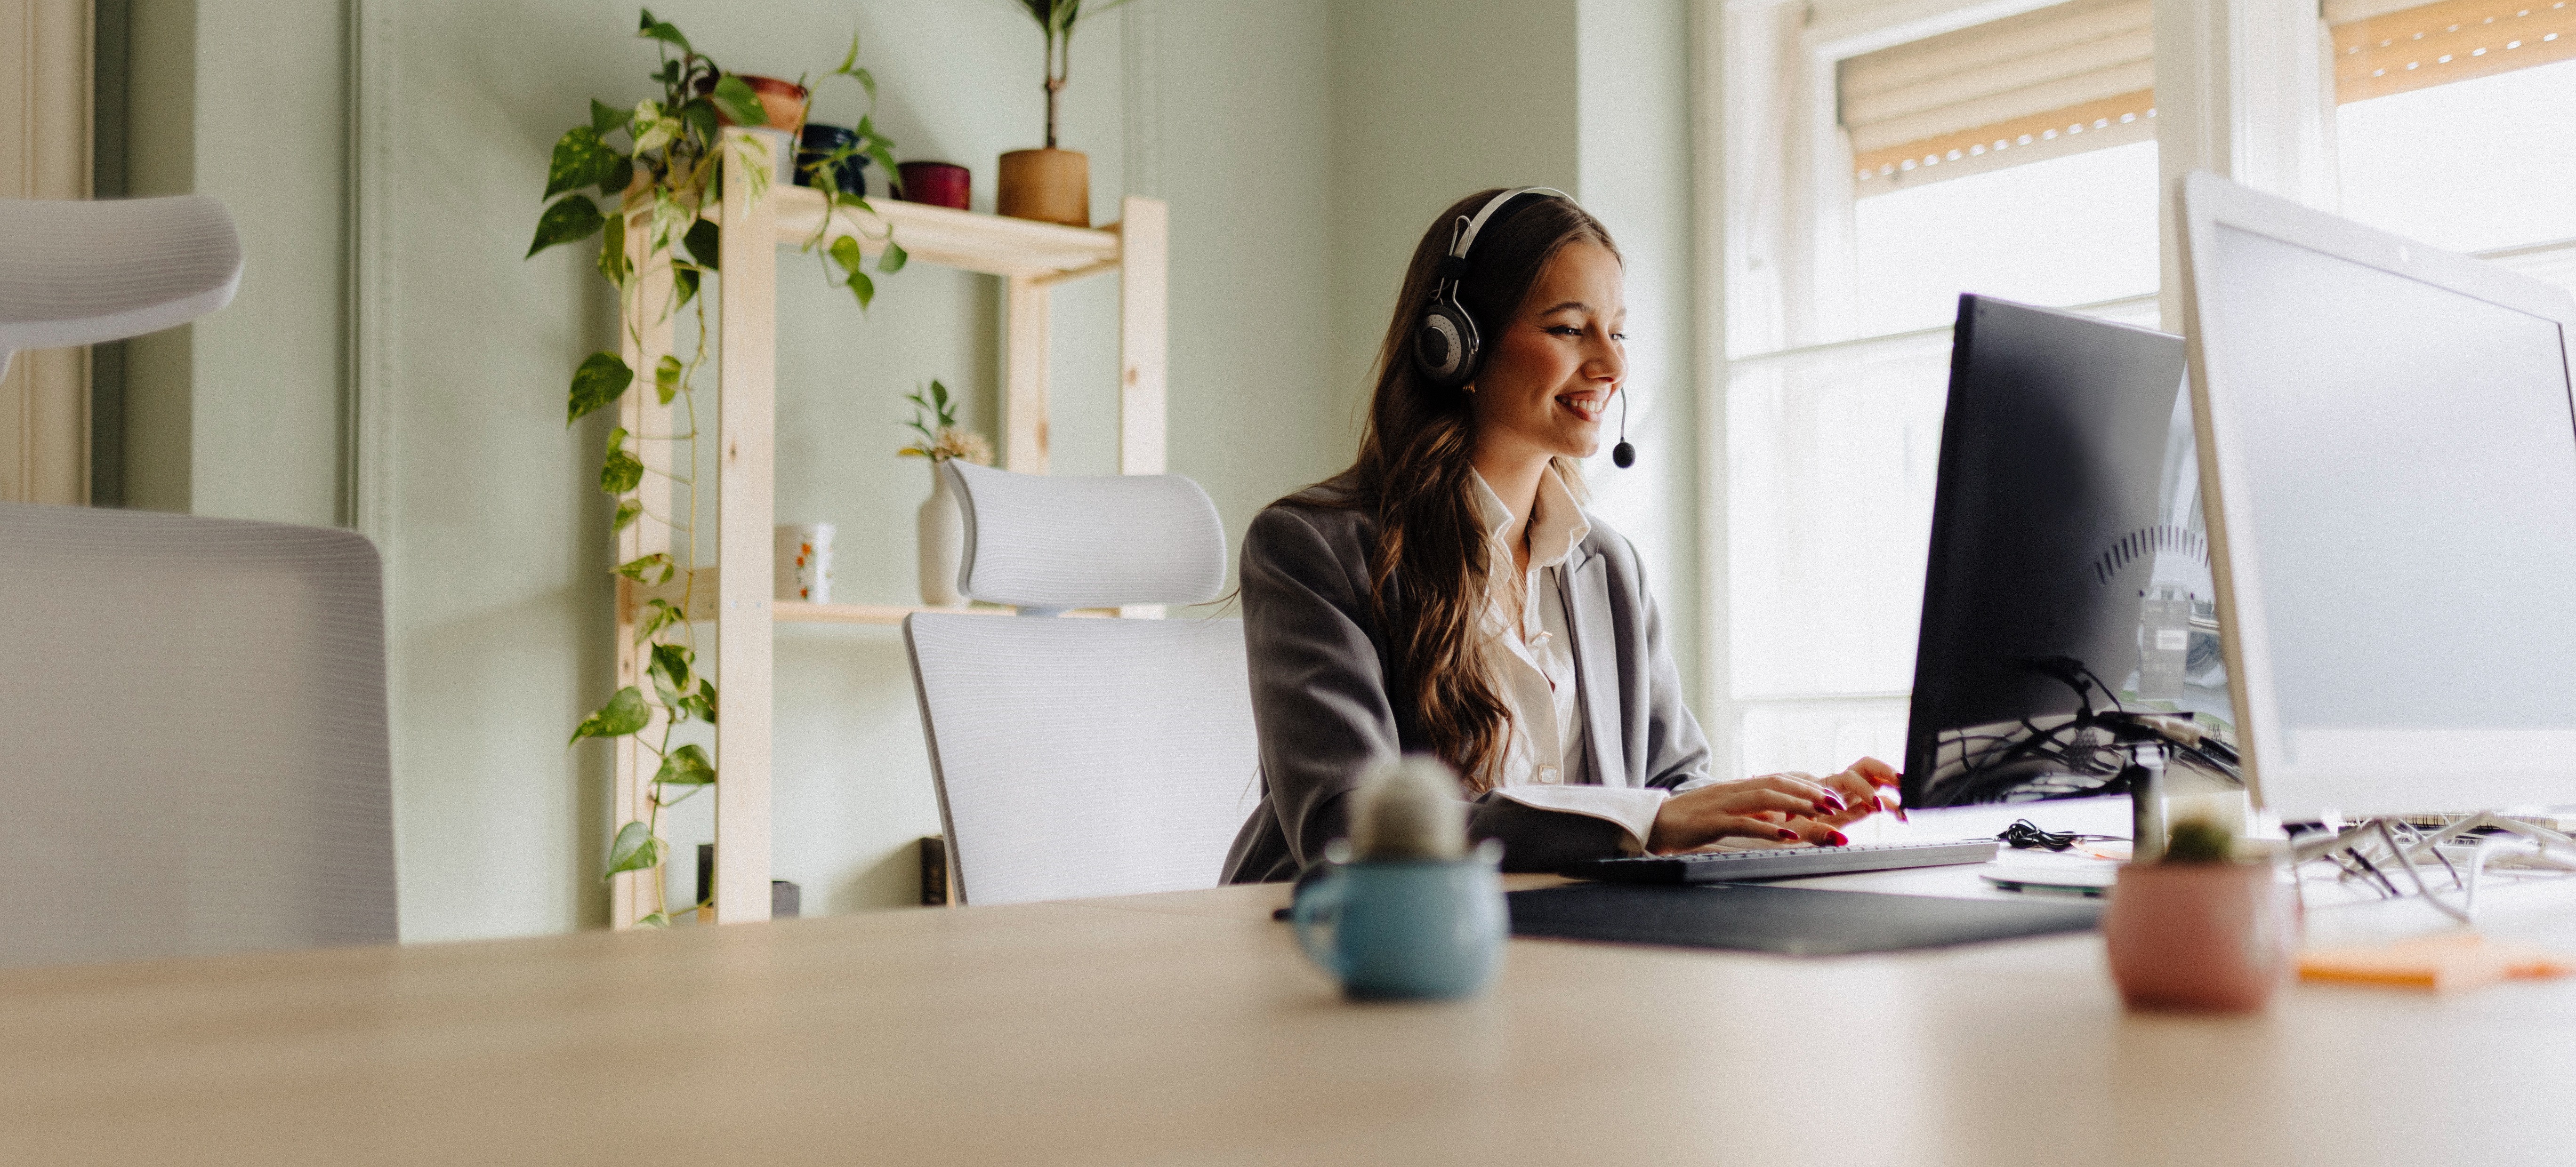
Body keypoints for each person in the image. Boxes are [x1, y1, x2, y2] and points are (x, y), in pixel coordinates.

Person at [1222, 188, 1900, 882]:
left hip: (1562, 939)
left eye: (1619, 331)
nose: (1612, 364)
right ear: (1453, 345)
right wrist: (1647, 821)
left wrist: (1786, 815)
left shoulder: (1607, 565)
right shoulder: (1311, 548)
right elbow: (1352, 829)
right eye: (1571, 329)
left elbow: (1671, 787)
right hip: (1355, 952)